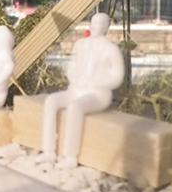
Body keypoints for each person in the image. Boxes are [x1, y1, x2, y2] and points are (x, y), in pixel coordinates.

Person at [41, 12, 125, 165]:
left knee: (75, 107)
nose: (94, 27)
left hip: (97, 94)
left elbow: (117, 77)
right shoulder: (80, 44)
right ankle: (48, 151)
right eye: (92, 23)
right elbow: (72, 65)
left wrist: (96, 81)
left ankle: (70, 156)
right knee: (51, 101)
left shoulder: (111, 49)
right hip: (76, 89)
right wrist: (73, 77)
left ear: (106, 27)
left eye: (99, 24)